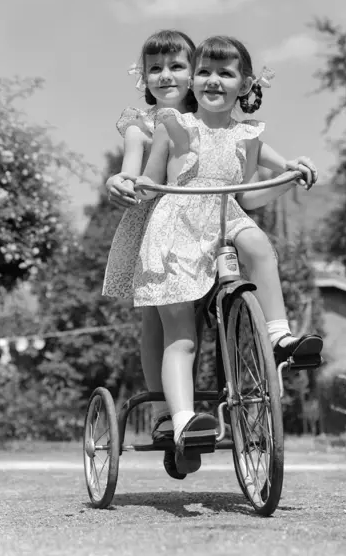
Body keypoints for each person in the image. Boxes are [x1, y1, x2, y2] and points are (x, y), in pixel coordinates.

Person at [104, 29, 318, 480]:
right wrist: (125, 183)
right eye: (158, 68)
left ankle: (274, 336)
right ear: (143, 76)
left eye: (180, 66)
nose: (171, 76)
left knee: (256, 245)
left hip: (224, 217)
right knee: (170, 329)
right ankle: (173, 416)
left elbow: (257, 183)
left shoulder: (236, 127)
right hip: (169, 224)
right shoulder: (162, 126)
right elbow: (140, 173)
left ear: (244, 82)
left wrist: (293, 171)